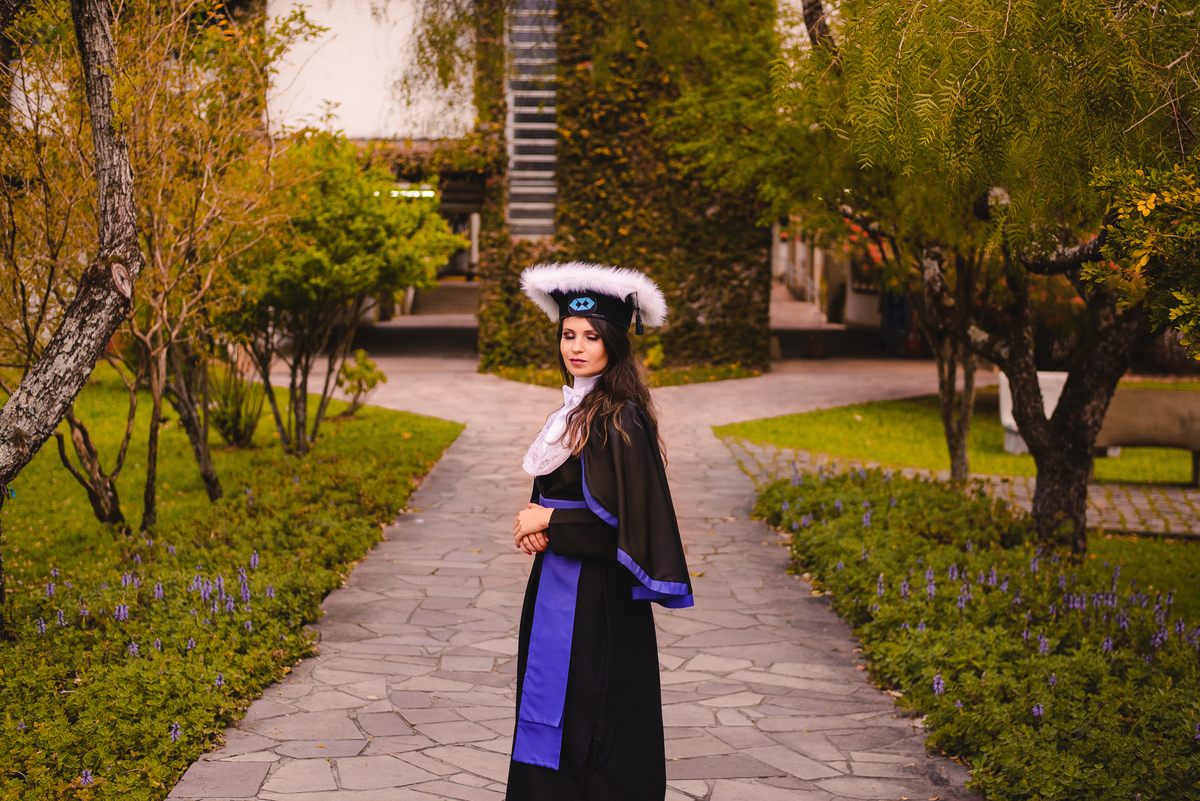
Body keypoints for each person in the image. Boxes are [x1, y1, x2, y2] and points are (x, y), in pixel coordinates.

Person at [505, 262, 693, 801]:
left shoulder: (620, 415)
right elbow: (568, 491)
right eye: (568, 334)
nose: (577, 346)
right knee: (549, 705)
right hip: (553, 588)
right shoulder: (572, 411)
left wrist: (550, 522)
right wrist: (540, 524)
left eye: (591, 336)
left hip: (598, 604)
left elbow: (627, 525)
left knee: (591, 714)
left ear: (614, 341)